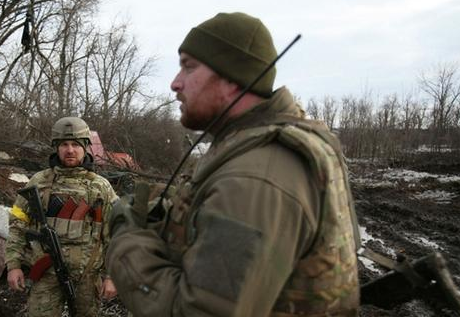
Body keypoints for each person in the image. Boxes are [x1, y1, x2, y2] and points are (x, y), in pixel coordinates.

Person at [105, 12, 361, 317]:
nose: (175, 83)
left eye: (189, 66)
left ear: (231, 77)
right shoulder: (246, 146)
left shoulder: (257, 177)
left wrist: (126, 238)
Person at [5, 116, 119, 317]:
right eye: (64, 144)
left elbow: (114, 234)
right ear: (56, 147)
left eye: (76, 144)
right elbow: (17, 224)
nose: (70, 150)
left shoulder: (101, 186)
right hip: (46, 274)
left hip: (87, 277)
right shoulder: (38, 182)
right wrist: (13, 265)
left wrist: (111, 276)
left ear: (85, 147)